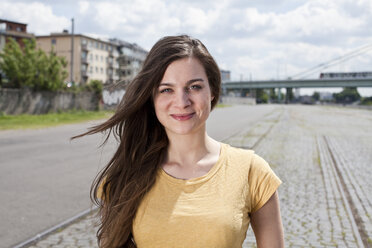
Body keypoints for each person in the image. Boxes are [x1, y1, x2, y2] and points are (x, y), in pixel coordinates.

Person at [75, 35, 284, 248]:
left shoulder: (252, 171)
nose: (182, 102)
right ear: (152, 98)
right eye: (166, 90)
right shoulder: (125, 176)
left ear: (212, 91)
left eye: (194, 87)